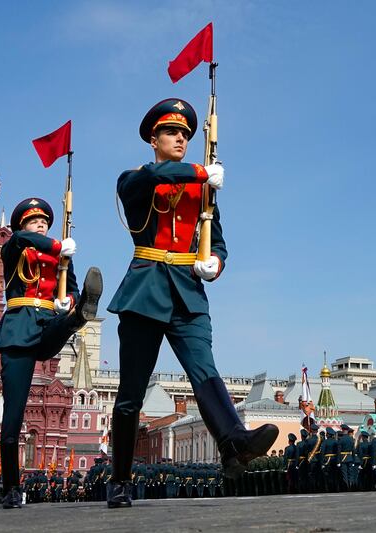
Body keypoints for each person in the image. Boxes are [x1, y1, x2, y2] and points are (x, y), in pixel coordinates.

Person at [106, 98, 278, 508]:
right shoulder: (135, 179)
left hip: (187, 293)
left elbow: (216, 241)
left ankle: (233, 441)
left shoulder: (202, 192)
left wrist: (214, 262)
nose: (180, 138)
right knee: (130, 394)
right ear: (154, 139)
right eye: (171, 132)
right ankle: (120, 478)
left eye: (185, 134)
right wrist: (201, 172)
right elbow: (151, 179)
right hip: (145, 291)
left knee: (205, 371)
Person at [0, 197, 103, 509]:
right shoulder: (15, 248)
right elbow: (20, 238)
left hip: (49, 326)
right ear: (23, 225)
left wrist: (70, 299)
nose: (41, 224)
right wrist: (56, 246)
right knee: (14, 417)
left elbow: (74, 287)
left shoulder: (61, 259)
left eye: (45, 221)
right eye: (34, 221)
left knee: (72, 315)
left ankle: (78, 316)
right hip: (18, 331)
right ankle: (11, 488)